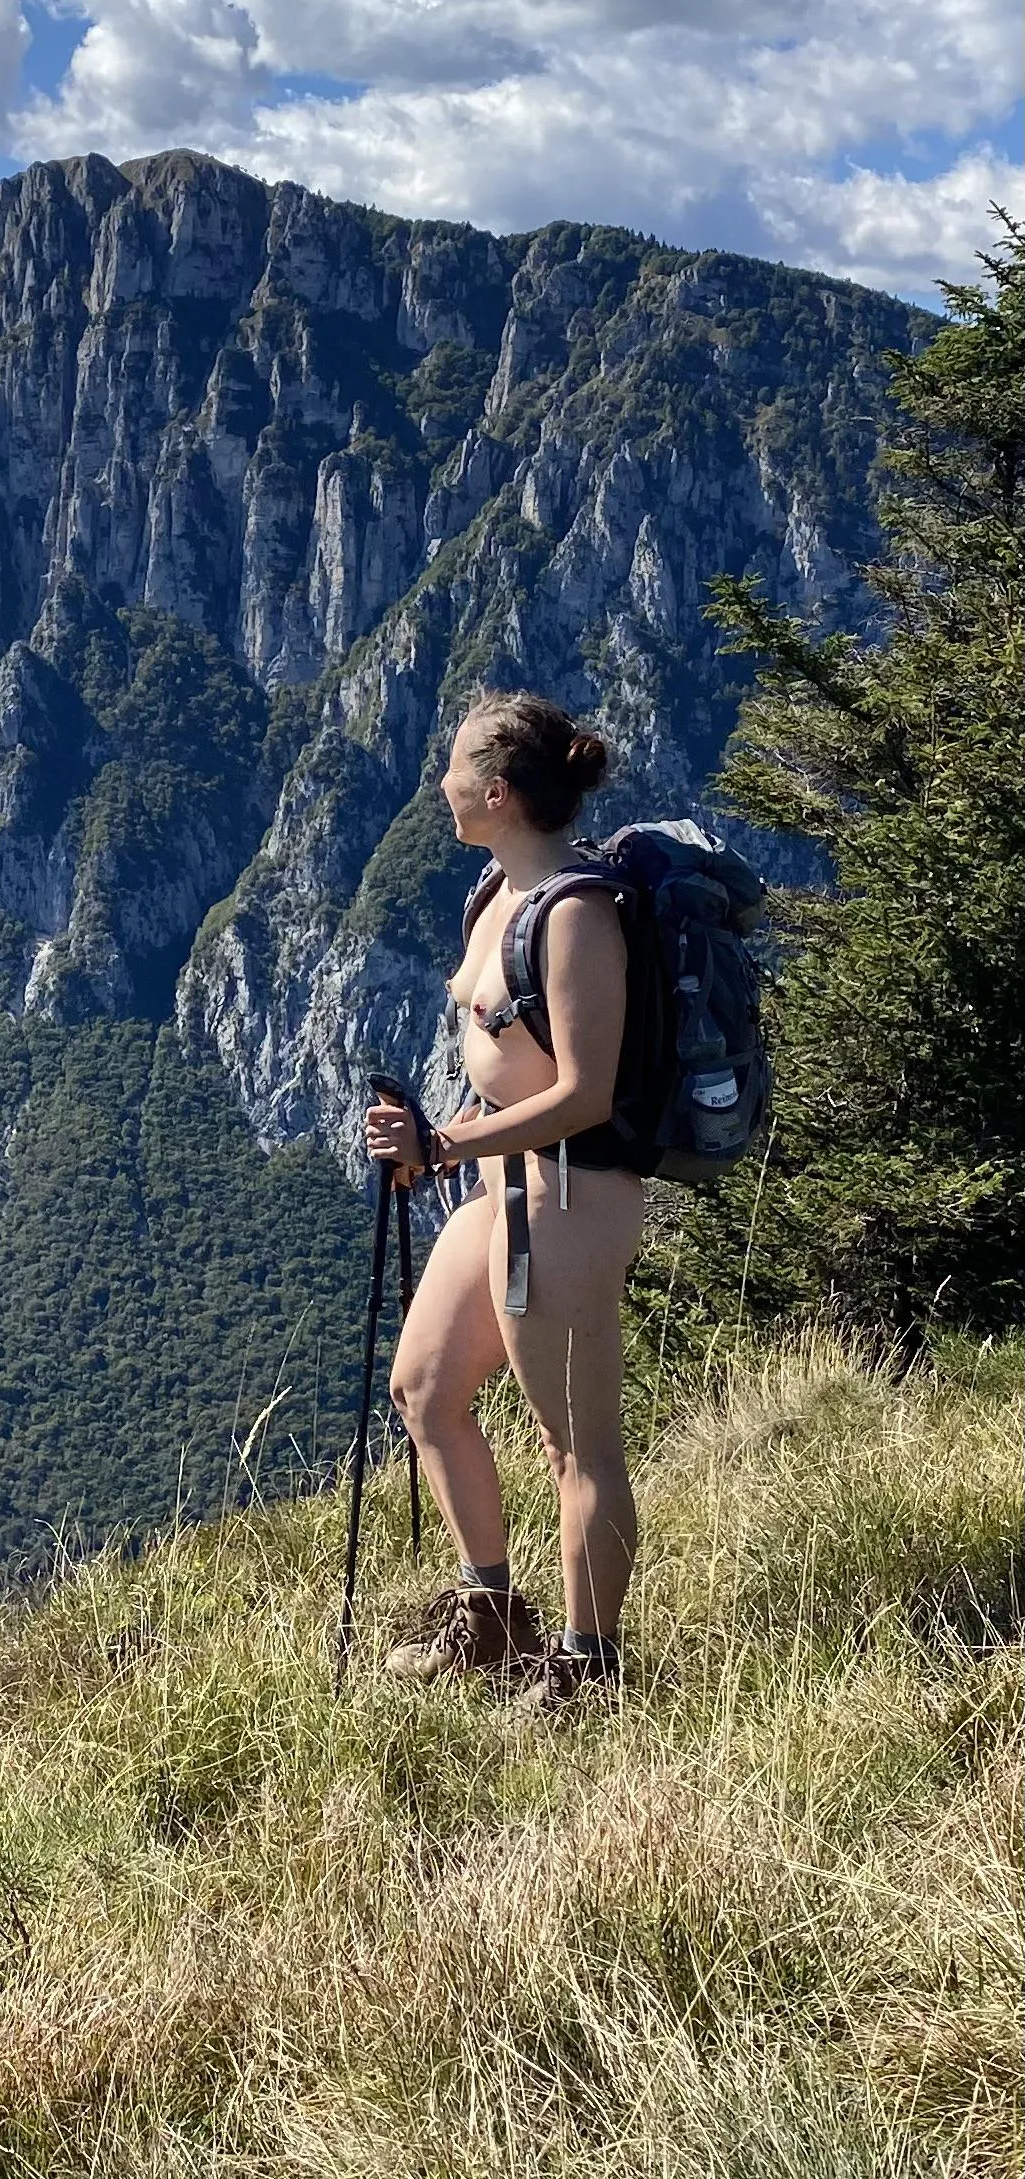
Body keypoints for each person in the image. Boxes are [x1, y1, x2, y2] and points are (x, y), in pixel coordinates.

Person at [364, 691, 641, 1711]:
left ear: (493, 792)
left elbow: (584, 1092)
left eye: (452, 767)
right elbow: (506, 1067)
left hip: (570, 1195)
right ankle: (489, 1617)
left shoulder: (573, 916)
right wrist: (443, 1135)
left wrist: (440, 1145)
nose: (437, 783)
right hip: (502, 1184)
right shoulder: (494, 893)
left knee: (575, 1447)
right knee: (423, 1391)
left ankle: (586, 1667)